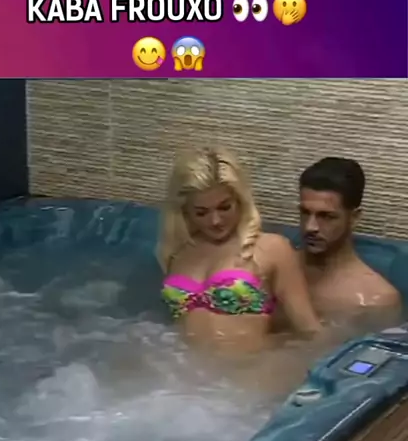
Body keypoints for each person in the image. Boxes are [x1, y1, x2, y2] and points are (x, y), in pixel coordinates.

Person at [158, 146, 321, 353]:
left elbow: (309, 331)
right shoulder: (177, 251)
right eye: (201, 212)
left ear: (240, 201)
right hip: (182, 368)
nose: (215, 221)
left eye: (225, 207)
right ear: (185, 211)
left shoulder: (272, 248)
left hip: (252, 367)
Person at [299, 157, 402, 319]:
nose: (310, 227)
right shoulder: (277, 266)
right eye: (305, 213)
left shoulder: (376, 301)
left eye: (326, 216)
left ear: (354, 217)